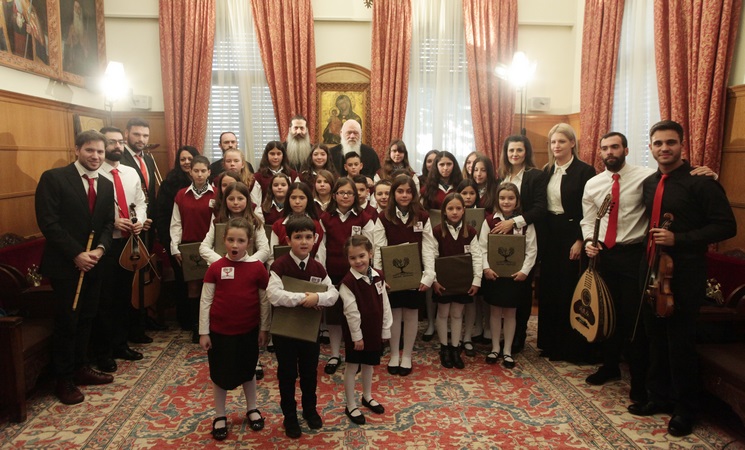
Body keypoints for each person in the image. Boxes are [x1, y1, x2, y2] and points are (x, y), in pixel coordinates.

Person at [582, 131, 717, 400]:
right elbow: (587, 219)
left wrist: (710, 176)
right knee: (605, 312)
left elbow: (675, 181)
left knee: (635, 319)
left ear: (626, 150)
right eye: (605, 148)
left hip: (635, 256)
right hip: (604, 255)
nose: (610, 152)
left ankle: (639, 380)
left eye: (615, 147)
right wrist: (588, 240)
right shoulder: (593, 184)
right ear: (600, 152)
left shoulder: (646, 177)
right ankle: (610, 366)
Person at [627, 120, 736, 437]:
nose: (664, 148)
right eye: (658, 143)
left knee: (680, 341)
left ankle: (686, 409)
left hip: (685, 271)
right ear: (650, 147)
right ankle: (658, 397)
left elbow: (726, 226)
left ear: (681, 145)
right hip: (651, 267)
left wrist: (680, 239)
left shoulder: (702, 183)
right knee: (654, 336)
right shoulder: (650, 183)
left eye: (670, 142)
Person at [35, 130, 115, 405]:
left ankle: (81, 367)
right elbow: (48, 222)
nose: (96, 156)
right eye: (90, 150)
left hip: (94, 263)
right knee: (67, 321)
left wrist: (100, 250)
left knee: (87, 318)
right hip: (65, 265)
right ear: (77, 150)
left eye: (100, 152)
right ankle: (63, 378)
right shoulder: (54, 178)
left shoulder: (106, 184)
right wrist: (76, 254)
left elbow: (108, 223)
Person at [267, 216, 340, 438]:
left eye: (308, 237)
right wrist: (302, 298)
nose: (304, 241)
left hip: (309, 331)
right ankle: (289, 416)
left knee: (309, 372)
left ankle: (310, 409)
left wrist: (318, 298)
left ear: (315, 239)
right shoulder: (279, 265)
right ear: (288, 240)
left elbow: (333, 294)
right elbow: (274, 295)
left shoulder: (318, 267)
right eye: (298, 237)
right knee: (287, 373)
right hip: (285, 332)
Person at [199, 217, 270, 440]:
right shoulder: (215, 267)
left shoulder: (257, 268)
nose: (235, 245)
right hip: (220, 332)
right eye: (231, 240)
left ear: (249, 242)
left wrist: (264, 328)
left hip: (248, 331)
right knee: (219, 373)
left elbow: (264, 301)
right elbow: (205, 301)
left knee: (248, 370)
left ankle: (252, 408)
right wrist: (204, 331)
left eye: (240, 241)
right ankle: (220, 415)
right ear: (224, 240)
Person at [537, 123, 596, 362]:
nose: (556, 146)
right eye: (553, 142)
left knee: (568, 288)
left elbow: (589, 209)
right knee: (549, 287)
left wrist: (581, 239)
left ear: (572, 143)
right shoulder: (546, 170)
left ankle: (568, 346)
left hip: (572, 233)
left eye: (561, 141)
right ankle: (549, 343)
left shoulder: (585, 171)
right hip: (549, 234)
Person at [92, 127, 147, 374]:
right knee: (105, 299)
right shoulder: (95, 174)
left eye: (120, 142)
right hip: (106, 244)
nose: (117, 146)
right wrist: (113, 222)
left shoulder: (130, 172)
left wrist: (139, 220)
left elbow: (141, 202)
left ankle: (121, 344)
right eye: (111, 142)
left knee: (124, 295)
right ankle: (103, 353)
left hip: (129, 241)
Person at [373, 175, 436, 376]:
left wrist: (429, 274)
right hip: (392, 277)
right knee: (394, 315)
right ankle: (394, 354)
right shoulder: (383, 217)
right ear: (394, 194)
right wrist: (381, 276)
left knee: (411, 314)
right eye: (400, 191)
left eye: (409, 191)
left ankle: (407, 355)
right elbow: (379, 249)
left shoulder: (422, 216)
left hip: (414, 275)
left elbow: (428, 247)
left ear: (414, 194)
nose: (404, 195)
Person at [493, 135, 548, 354]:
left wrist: (514, 222)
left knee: (522, 289)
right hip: (502, 239)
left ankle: (519, 336)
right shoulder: (502, 176)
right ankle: (501, 335)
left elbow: (540, 208)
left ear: (526, 152)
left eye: (519, 150)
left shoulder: (535, 176)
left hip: (527, 235)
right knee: (504, 287)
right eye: (511, 150)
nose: (514, 154)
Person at [318, 177, 376, 375]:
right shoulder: (326, 218)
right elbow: (321, 247)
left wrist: (368, 273)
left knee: (357, 315)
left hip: (357, 275)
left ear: (355, 196)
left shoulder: (364, 218)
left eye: (349, 193)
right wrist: (323, 273)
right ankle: (335, 354)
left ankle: (356, 354)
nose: (345, 196)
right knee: (334, 316)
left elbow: (370, 247)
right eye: (341, 193)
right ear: (334, 195)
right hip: (333, 273)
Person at [480, 183, 537, 369]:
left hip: (515, 276)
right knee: (495, 312)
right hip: (494, 275)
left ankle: (507, 350)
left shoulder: (525, 223)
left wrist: (524, 271)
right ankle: (495, 347)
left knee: (511, 313)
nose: (506, 202)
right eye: (502, 198)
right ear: (497, 200)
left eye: (511, 198)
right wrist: (486, 268)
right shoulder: (489, 221)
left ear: (517, 201)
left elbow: (531, 249)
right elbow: (481, 247)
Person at [340, 235, 392, 424]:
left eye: (361, 256)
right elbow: (351, 313)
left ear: (370, 254)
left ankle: (367, 396)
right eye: (352, 258)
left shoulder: (378, 276)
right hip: (357, 334)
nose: (358, 261)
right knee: (353, 366)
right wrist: (357, 337)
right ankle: (351, 404)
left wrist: (385, 329)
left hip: (373, 330)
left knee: (369, 364)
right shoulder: (348, 283)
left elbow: (385, 303)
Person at [431, 193, 482, 369]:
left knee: (457, 313)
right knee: (443, 312)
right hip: (443, 281)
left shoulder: (470, 232)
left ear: (464, 210)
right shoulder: (437, 231)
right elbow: (431, 256)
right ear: (444, 211)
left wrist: (476, 280)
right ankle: (444, 348)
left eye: (458, 208)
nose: (454, 212)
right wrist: (434, 280)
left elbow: (477, 257)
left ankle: (455, 348)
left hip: (462, 281)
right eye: (450, 208)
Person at [170, 155, 215, 342]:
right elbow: (176, 223)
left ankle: (211, 326)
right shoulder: (181, 194)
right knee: (193, 287)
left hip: (211, 247)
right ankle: (196, 327)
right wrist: (175, 247)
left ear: (209, 172)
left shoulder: (216, 194)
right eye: (196, 170)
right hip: (189, 247)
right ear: (190, 172)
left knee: (212, 287)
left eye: (203, 171)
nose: (199, 174)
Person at [154, 146, 199, 330]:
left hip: (201, 241)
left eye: (190, 158)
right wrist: (170, 243)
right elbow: (163, 216)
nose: (187, 162)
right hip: (177, 241)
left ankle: (200, 319)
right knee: (182, 281)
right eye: (182, 159)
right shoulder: (170, 183)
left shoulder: (204, 181)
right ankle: (186, 320)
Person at [267, 181, 324, 266]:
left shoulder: (316, 226)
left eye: (302, 198)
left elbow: (320, 256)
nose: (297, 202)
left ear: (308, 200)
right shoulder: (278, 226)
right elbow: (272, 257)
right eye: (293, 198)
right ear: (288, 200)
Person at [251, 141, 299, 206]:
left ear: (283, 155)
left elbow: (297, 197)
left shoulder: (293, 175)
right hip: (265, 211)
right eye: (272, 154)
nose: (275, 157)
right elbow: (256, 203)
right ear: (266, 155)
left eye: (279, 154)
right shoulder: (258, 177)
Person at [62, 0, 94, 76]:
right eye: (75, 7)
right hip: (72, 49)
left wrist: (84, 43)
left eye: (79, 7)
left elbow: (87, 42)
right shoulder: (69, 23)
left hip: (82, 50)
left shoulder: (85, 22)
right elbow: (68, 40)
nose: (77, 10)